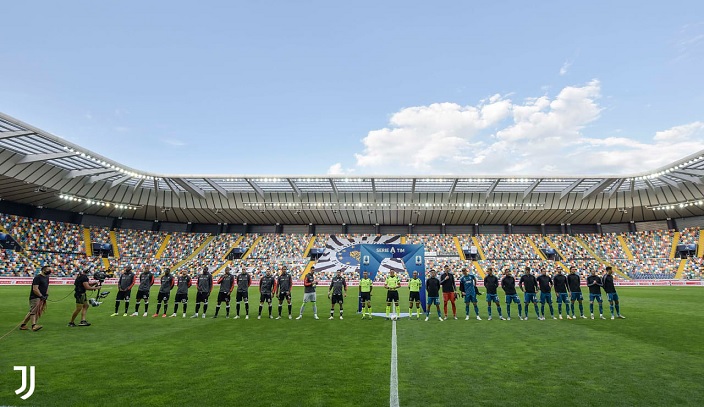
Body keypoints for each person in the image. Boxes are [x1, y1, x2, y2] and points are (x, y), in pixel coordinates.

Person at [19, 265, 51, 332]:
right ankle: (34, 326)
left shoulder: (47, 277)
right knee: (34, 311)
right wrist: (41, 296)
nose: (49, 271)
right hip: (35, 297)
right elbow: (35, 289)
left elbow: (47, 286)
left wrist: (46, 295)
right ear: (43, 270)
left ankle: (23, 325)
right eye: (48, 269)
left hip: (42, 297)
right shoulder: (37, 278)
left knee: (32, 311)